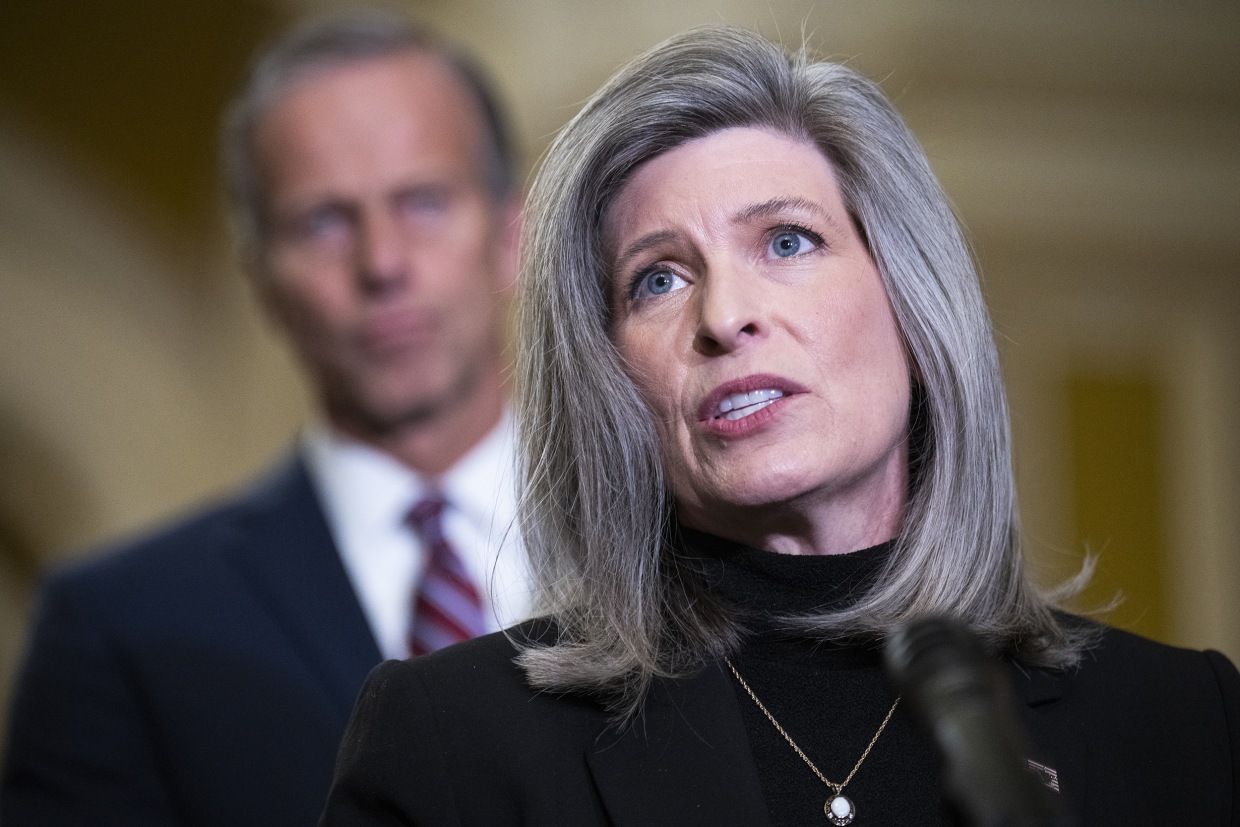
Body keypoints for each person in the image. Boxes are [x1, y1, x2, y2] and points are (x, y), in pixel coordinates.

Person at [319, 24, 1240, 827]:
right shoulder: (455, 742)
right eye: (659, 279)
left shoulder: (1185, 724)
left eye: (788, 241)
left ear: (911, 303)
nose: (725, 316)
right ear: (610, 382)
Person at [1, 12, 529, 827]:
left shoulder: (689, 555)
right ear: (262, 281)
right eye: (323, 220)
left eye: (423, 201)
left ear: (511, 232)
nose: (382, 263)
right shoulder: (118, 632)